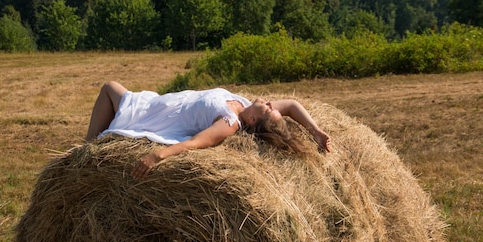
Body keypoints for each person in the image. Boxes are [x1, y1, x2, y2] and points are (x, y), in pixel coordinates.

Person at [85, 81, 331, 178]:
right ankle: (85, 153)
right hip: (161, 101)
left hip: (155, 116)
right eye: (270, 105)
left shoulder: (229, 123)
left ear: (254, 121)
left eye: (268, 108)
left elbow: (196, 142)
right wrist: (316, 132)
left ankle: (85, 152)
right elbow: (290, 105)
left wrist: (156, 156)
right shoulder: (246, 106)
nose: (269, 103)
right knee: (110, 90)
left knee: (110, 88)